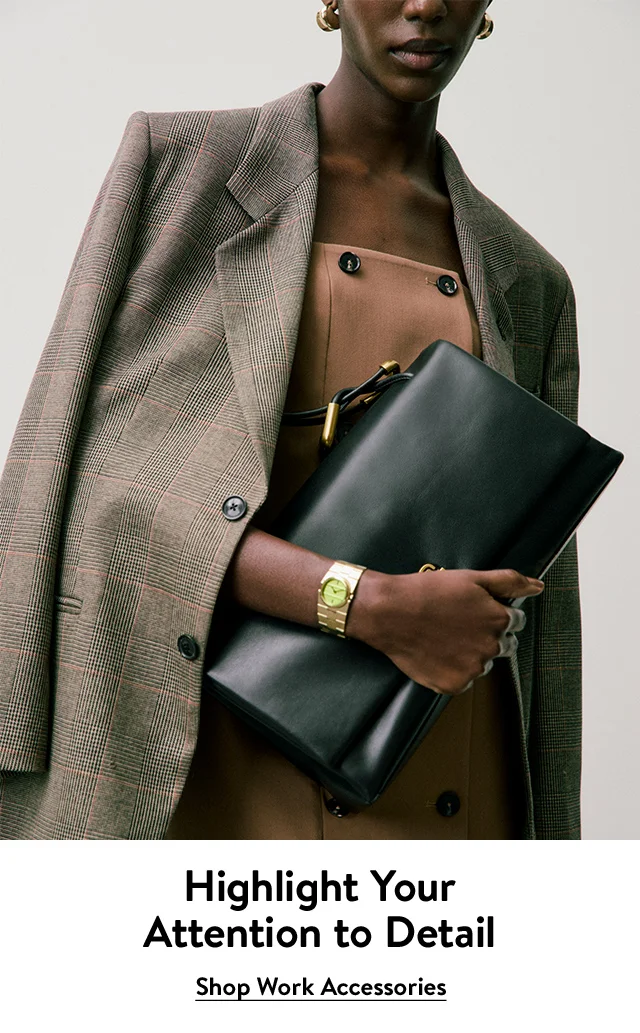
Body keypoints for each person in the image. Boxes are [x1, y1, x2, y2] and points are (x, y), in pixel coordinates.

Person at [0, 0, 581, 841]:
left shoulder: (529, 280)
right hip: (195, 748)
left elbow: (542, 605)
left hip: (436, 764)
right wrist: (364, 603)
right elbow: (91, 485)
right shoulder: (181, 170)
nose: (424, 4)